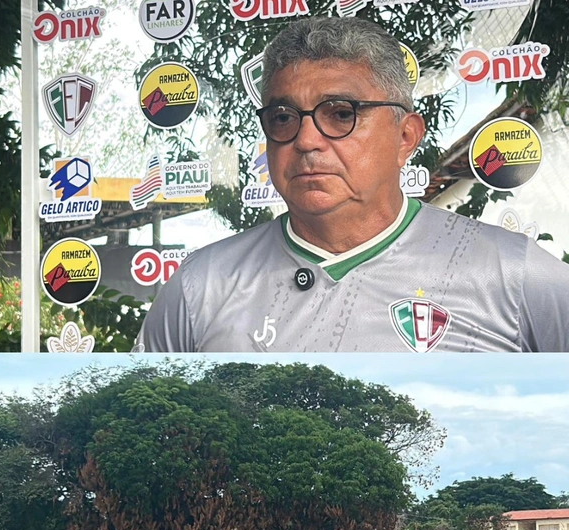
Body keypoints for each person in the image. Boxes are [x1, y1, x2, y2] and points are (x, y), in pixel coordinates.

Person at [136, 16, 569, 352]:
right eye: (284, 118)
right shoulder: (201, 286)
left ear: (405, 137)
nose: (306, 140)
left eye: (341, 114)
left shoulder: (514, 275)